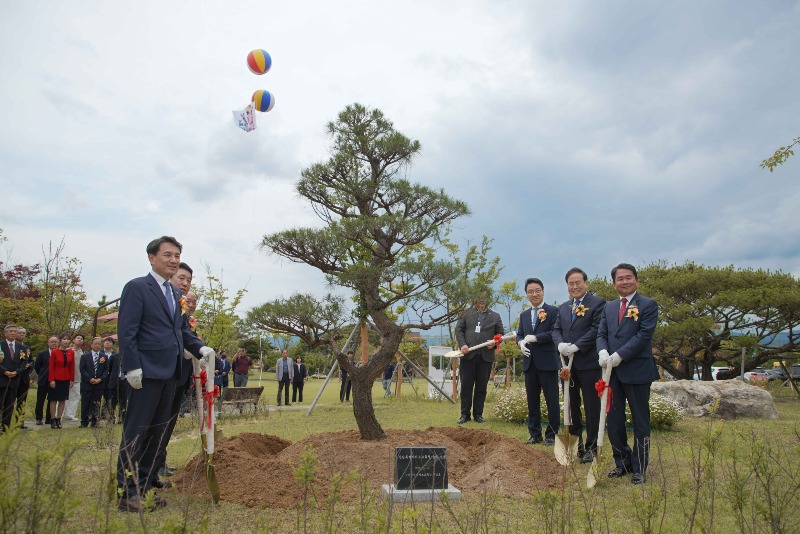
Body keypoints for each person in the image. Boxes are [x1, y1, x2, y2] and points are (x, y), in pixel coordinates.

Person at [115, 236, 213, 513]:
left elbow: (181, 332)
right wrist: (132, 366)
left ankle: (144, 490)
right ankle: (126, 492)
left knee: (156, 435)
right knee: (137, 433)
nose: (173, 260)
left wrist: (200, 348)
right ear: (152, 257)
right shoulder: (137, 287)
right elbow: (128, 330)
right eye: (167, 255)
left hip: (170, 373)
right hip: (145, 372)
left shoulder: (174, 295)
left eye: (177, 255)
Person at [597, 263, 659, 485]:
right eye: (620, 278)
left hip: (637, 371)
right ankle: (621, 462)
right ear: (614, 283)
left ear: (636, 280)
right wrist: (603, 351)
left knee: (641, 420)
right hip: (611, 373)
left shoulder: (648, 305)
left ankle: (640, 467)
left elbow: (643, 336)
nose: (624, 281)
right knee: (614, 419)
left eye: (628, 277)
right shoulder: (609, 307)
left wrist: (620, 355)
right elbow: (601, 332)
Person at [552, 268, 606, 462]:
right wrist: (560, 344)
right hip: (568, 365)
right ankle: (576, 445)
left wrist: (577, 346)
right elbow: (556, 329)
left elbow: (596, 329)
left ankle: (592, 447)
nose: (574, 287)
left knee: (591, 407)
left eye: (578, 283)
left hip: (588, 363)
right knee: (570, 405)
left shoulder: (598, 303)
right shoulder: (564, 307)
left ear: (586, 283)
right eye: (570, 284)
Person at [516, 278, 560, 444]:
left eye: (537, 290)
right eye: (530, 291)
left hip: (547, 362)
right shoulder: (524, 315)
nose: (534, 294)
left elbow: (554, 333)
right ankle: (535, 434)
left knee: (552, 401)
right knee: (532, 401)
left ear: (543, 291)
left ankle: (552, 435)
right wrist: (520, 342)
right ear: (526, 295)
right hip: (529, 363)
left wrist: (536, 337)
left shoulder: (553, 311)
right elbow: (520, 334)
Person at [455, 294, 504, 424]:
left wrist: (495, 343)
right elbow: (458, 330)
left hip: (485, 357)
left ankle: (478, 414)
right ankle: (465, 414)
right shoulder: (466, 313)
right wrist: (462, 344)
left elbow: (501, 334)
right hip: (468, 356)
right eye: (479, 297)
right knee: (466, 386)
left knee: (481, 387)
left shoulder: (495, 316)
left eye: (485, 297)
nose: (482, 300)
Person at [79, 337, 110, 428]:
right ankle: (84, 421)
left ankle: (95, 421)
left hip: (99, 383)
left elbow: (106, 370)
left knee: (96, 402)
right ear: (91, 345)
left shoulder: (104, 357)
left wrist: (100, 379)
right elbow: (82, 369)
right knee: (85, 402)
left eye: (99, 344)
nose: (97, 346)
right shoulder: (85, 356)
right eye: (95, 344)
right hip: (87, 383)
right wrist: (89, 379)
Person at [48, 334, 75, 429]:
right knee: (53, 399)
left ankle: (59, 418)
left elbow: (72, 367)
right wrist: (51, 380)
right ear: (60, 341)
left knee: (62, 399)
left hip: (66, 378)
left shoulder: (71, 352)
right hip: (56, 378)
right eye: (64, 339)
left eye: (68, 339)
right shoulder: (55, 352)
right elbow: (51, 367)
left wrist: (71, 379)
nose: (66, 341)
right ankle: (53, 419)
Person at [0, 325, 21, 431]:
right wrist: (4, 371)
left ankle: (6, 428)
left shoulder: (20, 347)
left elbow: (24, 362)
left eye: (15, 331)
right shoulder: (0, 345)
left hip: (14, 380)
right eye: (11, 331)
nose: (13, 333)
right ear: (5, 334)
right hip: (2, 379)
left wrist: (17, 371)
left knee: (10, 405)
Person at [34, 336, 58, 425]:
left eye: (55, 342)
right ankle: (39, 418)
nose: (53, 343)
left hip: (55, 381)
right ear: (48, 343)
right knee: (40, 399)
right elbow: (37, 367)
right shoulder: (42, 354)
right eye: (52, 342)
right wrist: (42, 374)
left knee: (52, 400)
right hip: (43, 380)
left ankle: (49, 418)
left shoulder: (60, 354)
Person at [13, 326, 32, 429]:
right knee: (9, 400)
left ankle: (20, 421)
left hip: (24, 378)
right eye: (20, 333)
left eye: (24, 333)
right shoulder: (11, 347)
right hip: (13, 376)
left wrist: (29, 365)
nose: (22, 335)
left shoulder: (27, 348)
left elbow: (32, 360)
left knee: (22, 401)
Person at [63, 334, 84, 421]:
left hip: (78, 378)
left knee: (75, 396)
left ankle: (70, 414)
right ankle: (59, 414)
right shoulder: (68, 351)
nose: (80, 340)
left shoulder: (83, 352)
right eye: (78, 338)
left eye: (81, 339)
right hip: (67, 377)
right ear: (74, 340)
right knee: (63, 396)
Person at [102, 338, 122, 423]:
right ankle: (111, 416)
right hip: (113, 380)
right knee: (112, 399)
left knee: (123, 400)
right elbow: (109, 368)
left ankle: (122, 417)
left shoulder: (129, 356)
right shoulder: (114, 357)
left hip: (124, 380)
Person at [215, 350, 231, 417]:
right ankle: (219, 406)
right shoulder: (218, 361)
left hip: (225, 379)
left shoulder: (227, 362)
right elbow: (216, 368)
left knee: (224, 392)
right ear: (221, 355)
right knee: (219, 393)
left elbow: (229, 368)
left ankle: (221, 401)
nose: (225, 354)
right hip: (219, 379)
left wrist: (226, 372)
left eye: (225, 353)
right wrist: (220, 373)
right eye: (223, 353)